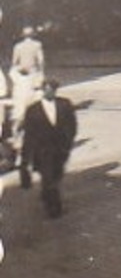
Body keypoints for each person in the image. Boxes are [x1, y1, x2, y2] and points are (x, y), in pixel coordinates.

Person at [20, 78, 77, 217]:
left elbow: (72, 125)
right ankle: (53, 209)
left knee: (57, 175)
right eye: (46, 90)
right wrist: (26, 157)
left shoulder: (65, 104)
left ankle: (47, 194)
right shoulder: (33, 110)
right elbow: (29, 134)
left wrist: (68, 142)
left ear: (56, 90)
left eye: (52, 90)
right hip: (42, 151)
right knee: (48, 177)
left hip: (60, 149)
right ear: (42, 90)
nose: (49, 93)